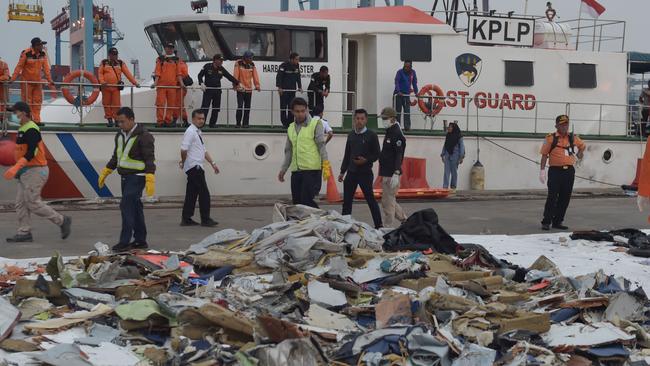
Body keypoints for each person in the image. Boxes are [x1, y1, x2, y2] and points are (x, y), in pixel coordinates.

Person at [3, 102, 71, 242]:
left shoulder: (31, 129)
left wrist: (16, 167)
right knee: (20, 203)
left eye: (16, 113)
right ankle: (24, 233)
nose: (14, 115)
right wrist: (19, 169)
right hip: (26, 171)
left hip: (35, 171)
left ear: (24, 113)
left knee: (32, 202)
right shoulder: (23, 128)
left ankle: (62, 220)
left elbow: (32, 152)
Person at [98, 107, 156, 251]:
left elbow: (149, 158)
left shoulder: (144, 136)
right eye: (118, 122)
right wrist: (106, 171)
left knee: (126, 205)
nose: (120, 125)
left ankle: (124, 241)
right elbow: (117, 156)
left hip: (138, 177)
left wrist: (150, 176)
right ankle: (140, 240)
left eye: (122, 122)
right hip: (125, 177)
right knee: (135, 208)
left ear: (131, 119)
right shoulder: (119, 135)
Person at [278, 97, 330, 208]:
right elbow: (288, 151)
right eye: (297, 111)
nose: (300, 114)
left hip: (311, 171)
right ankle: (303, 224)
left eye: (303, 111)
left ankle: (319, 220)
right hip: (296, 171)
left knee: (307, 202)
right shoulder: (291, 128)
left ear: (307, 110)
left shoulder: (316, 124)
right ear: (292, 112)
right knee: (297, 203)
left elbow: (321, 145)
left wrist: (325, 164)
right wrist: (283, 169)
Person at [539, 114, 586, 231]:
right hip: (555, 171)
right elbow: (544, 155)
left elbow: (582, 146)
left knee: (565, 198)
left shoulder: (572, 137)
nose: (565, 127)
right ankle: (546, 221)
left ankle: (558, 221)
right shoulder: (551, 138)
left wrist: (580, 152)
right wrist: (542, 170)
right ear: (556, 126)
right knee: (552, 197)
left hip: (569, 172)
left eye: (566, 124)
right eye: (562, 125)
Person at [339, 109, 383, 229]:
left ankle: (379, 225)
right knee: (347, 201)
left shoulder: (372, 135)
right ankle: (344, 225)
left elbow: (377, 154)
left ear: (366, 120)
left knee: (370, 200)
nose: (359, 121)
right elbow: (347, 154)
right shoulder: (351, 135)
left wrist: (366, 160)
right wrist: (342, 172)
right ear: (354, 119)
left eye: (362, 119)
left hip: (365, 173)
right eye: (357, 118)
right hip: (351, 173)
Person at [180, 110, 220, 227]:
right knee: (204, 193)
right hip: (194, 166)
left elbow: (203, 150)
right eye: (199, 118)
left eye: (203, 119)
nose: (201, 120)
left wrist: (213, 163)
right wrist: (183, 162)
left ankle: (186, 218)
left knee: (191, 193)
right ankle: (205, 219)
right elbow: (183, 149)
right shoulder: (190, 132)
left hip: (196, 166)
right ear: (193, 119)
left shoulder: (197, 132)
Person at [10, 38, 55, 124]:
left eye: (42, 45)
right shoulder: (26, 53)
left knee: (37, 102)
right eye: (40, 45)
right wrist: (13, 78)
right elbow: (19, 66)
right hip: (27, 83)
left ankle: (37, 121)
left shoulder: (43, 54)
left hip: (37, 82)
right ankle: (29, 120)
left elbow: (46, 69)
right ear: (35, 46)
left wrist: (50, 80)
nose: (42, 46)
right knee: (27, 102)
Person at [378, 107, 407, 227]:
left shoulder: (396, 134)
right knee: (389, 201)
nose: (383, 121)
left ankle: (388, 228)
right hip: (386, 172)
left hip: (391, 173)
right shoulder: (390, 131)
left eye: (385, 118)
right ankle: (405, 221)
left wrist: (396, 172)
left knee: (388, 203)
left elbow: (399, 154)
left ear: (393, 118)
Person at [98, 47, 140, 127]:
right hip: (105, 87)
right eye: (113, 55)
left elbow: (128, 74)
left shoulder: (120, 63)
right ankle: (109, 119)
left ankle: (116, 120)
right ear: (109, 55)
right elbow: (100, 73)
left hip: (116, 88)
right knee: (106, 104)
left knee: (116, 104)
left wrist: (135, 83)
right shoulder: (103, 63)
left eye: (116, 55)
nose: (115, 56)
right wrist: (102, 82)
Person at [198, 54, 239, 128]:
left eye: (222, 60)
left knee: (216, 108)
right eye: (220, 60)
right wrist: (201, 83)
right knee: (205, 107)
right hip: (208, 90)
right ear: (215, 60)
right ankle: (201, 124)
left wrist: (238, 83)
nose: (221, 62)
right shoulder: (207, 66)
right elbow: (200, 75)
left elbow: (229, 76)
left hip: (217, 91)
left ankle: (212, 124)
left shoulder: (221, 69)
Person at [153, 43, 183, 127]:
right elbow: (157, 71)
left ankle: (168, 121)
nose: (170, 49)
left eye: (171, 48)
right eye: (168, 48)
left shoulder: (176, 60)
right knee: (160, 104)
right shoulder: (160, 59)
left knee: (171, 104)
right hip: (161, 86)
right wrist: (155, 83)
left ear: (173, 49)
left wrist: (181, 84)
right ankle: (160, 121)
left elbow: (179, 73)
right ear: (165, 48)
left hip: (172, 86)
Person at [233, 51, 261, 128]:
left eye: (252, 58)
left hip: (249, 89)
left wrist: (257, 85)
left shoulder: (252, 65)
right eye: (250, 58)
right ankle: (238, 123)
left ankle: (245, 123)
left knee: (247, 107)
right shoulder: (238, 63)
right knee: (240, 106)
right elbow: (235, 74)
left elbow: (255, 76)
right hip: (240, 89)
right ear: (246, 58)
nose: (252, 59)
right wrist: (236, 85)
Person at [277, 52, 302, 128]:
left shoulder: (297, 65)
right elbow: (279, 77)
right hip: (284, 90)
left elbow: (298, 76)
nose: (298, 61)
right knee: (283, 107)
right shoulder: (283, 65)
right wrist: (279, 87)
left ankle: (290, 123)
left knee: (292, 107)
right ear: (291, 59)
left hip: (292, 90)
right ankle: (284, 124)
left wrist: (300, 86)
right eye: (296, 59)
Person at [393, 60, 418, 131]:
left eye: (408, 66)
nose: (406, 68)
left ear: (411, 67)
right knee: (398, 111)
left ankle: (407, 127)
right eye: (405, 66)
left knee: (407, 111)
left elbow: (414, 83)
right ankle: (397, 127)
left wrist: (416, 92)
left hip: (406, 95)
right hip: (399, 94)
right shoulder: (399, 72)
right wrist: (398, 91)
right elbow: (396, 81)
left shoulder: (413, 73)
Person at [440, 122, 465, 190]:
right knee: (446, 172)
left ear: (454, 128)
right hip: (448, 155)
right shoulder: (448, 135)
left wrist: (461, 157)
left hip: (455, 156)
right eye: (449, 127)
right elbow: (445, 145)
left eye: (450, 127)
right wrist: (442, 154)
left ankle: (453, 186)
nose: (449, 128)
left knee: (454, 172)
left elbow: (462, 147)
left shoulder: (459, 136)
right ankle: (445, 187)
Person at [177, 57, 190, 126]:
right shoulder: (184, 64)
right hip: (181, 87)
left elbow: (179, 76)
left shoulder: (179, 65)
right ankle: (183, 120)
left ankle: (184, 120)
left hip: (180, 87)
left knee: (179, 104)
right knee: (179, 104)